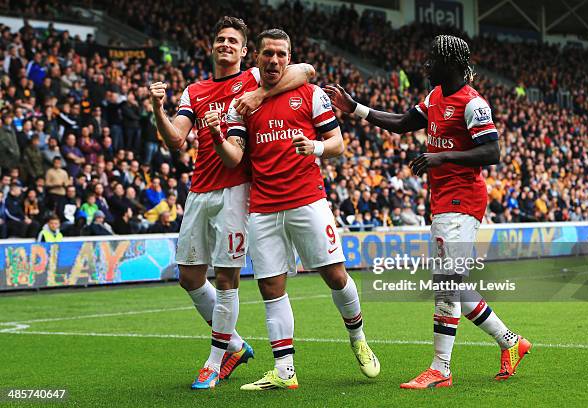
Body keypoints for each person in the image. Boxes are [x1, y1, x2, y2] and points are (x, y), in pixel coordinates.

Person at [325, 34, 531, 389]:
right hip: (442, 199)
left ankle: (441, 368)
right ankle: (511, 342)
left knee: (446, 283)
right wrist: (355, 107)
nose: (426, 65)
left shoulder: (473, 104)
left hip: (462, 199)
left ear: (450, 65)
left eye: (432, 60)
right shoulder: (435, 96)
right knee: (453, 283)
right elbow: (405, 122)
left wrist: (444, 156)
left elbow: (493, 152)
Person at [149, 16, 315, 389]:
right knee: (189, 276)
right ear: (213, 47)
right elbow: (177, 138)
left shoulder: (255, 77)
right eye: (220, 39)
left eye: (232, 41)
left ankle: (213, 359)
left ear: (244, 51)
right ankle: (236, 345)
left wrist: (259, 94)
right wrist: (157, 109)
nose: (225, 44)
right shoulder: (195, 90)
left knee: (226, 277)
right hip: (200, 189)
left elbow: (305, 70)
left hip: (236, 190)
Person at [220, 28, 379, 391]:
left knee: (336, 276)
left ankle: (358, 339)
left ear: (289, 58)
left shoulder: (310, 94)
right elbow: (235, 157)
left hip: (308, 200)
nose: (274, 60)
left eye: (280, 54)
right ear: (256, 58)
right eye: (267, 54)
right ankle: (284, 371)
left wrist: (316, 147)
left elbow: (337, 142)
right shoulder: (242, 104)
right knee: (271, 286)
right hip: (262, 207)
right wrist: (216, 138)